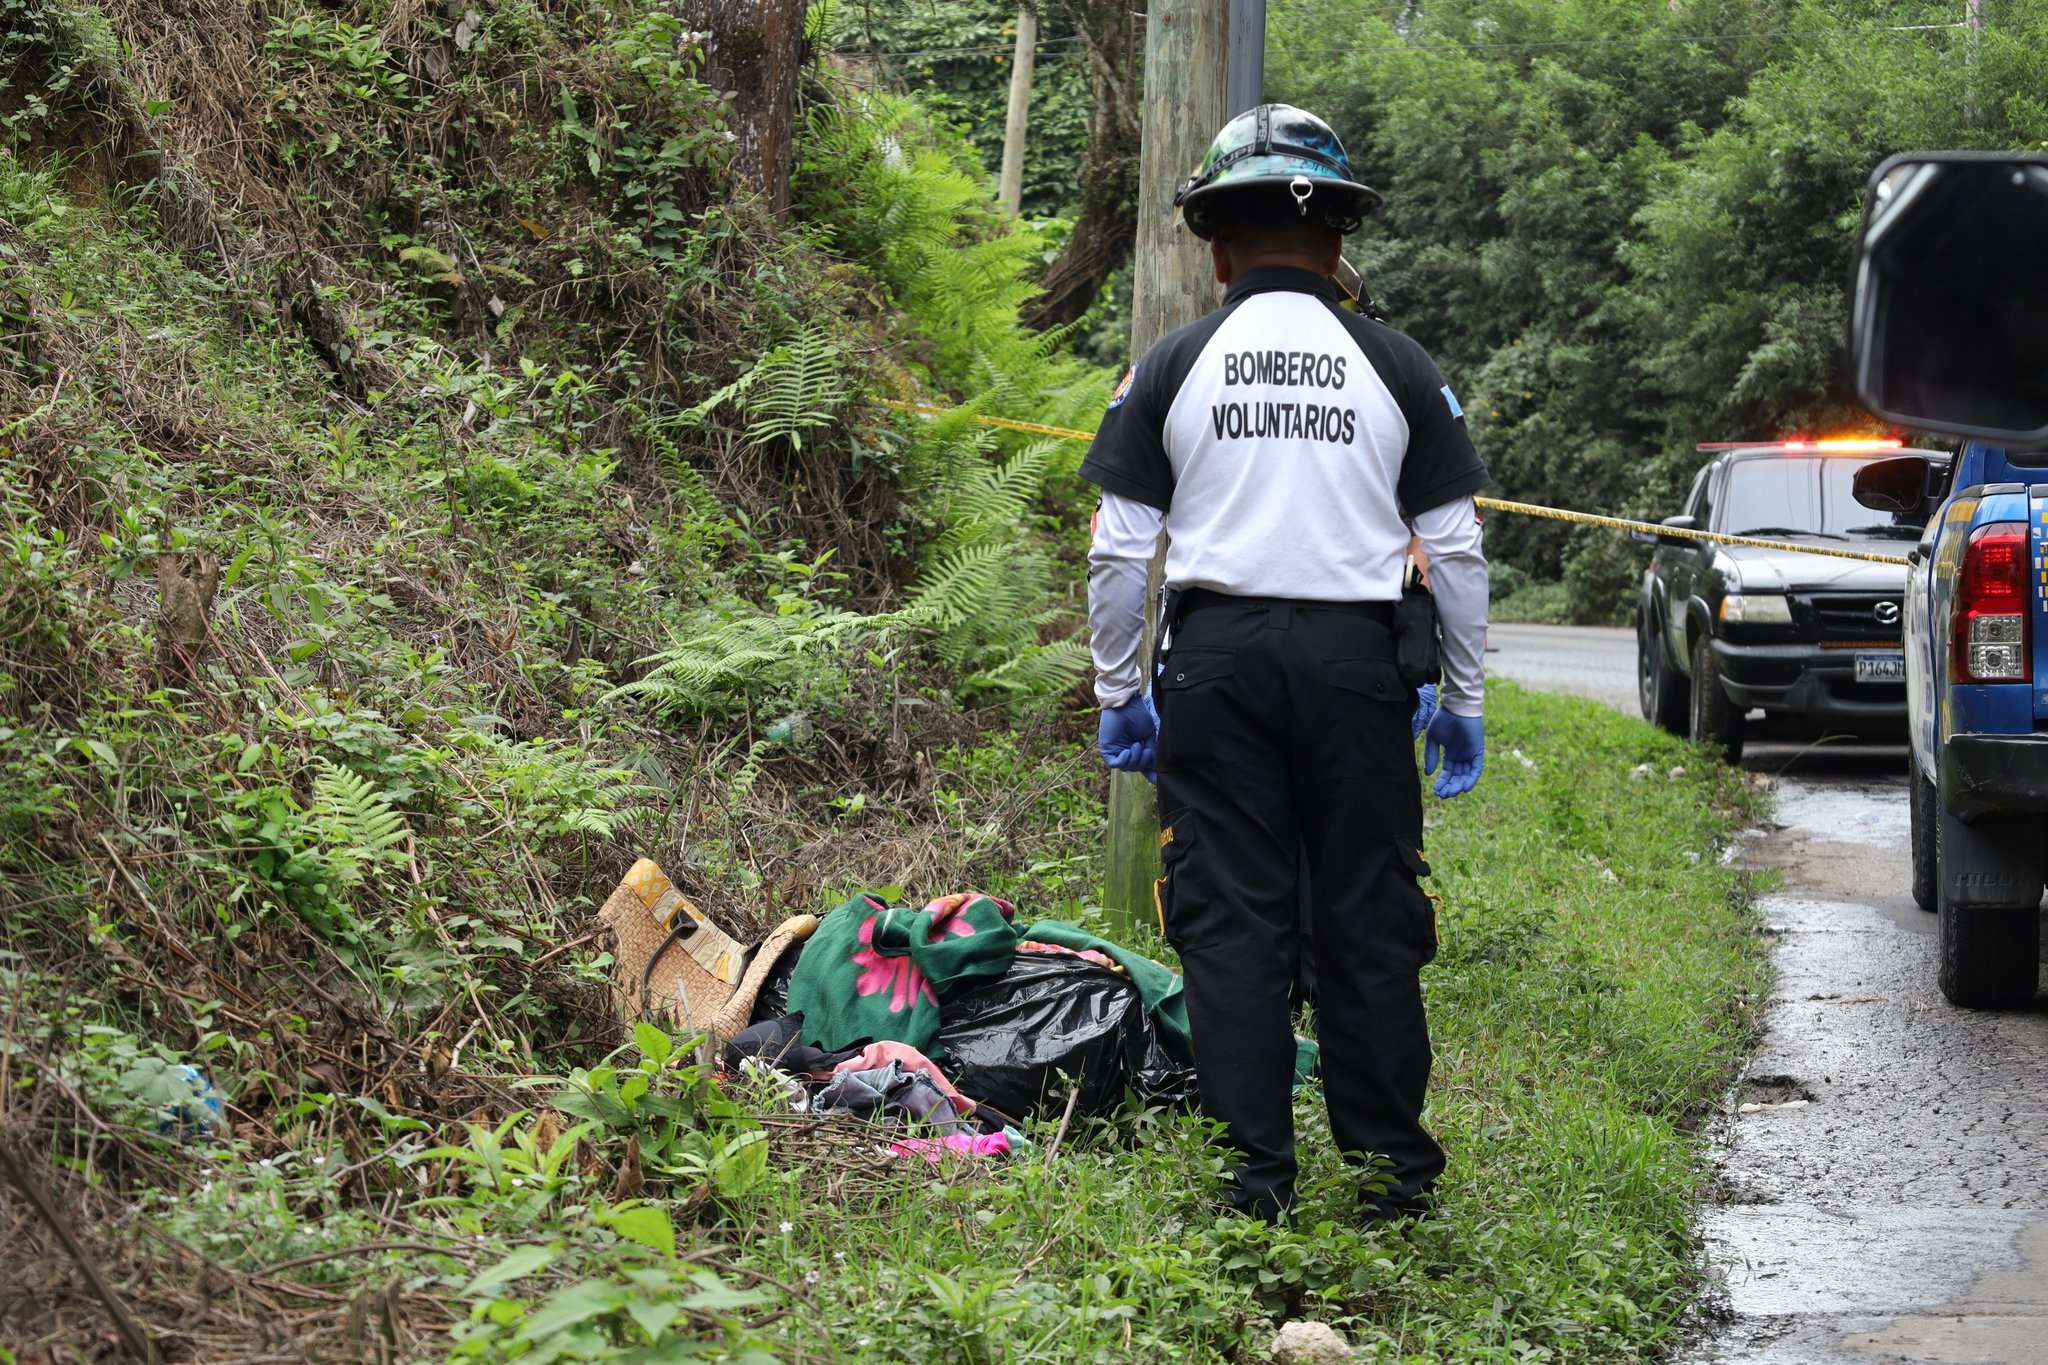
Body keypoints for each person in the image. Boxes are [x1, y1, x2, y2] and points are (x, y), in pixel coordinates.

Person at [1082, 104, 1488, 1224]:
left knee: (1227, 919)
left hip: (1213, 663)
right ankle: (1389, 1178)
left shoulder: (1170, 363)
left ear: (1214, 246)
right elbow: (1451, 546)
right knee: (1366, 913)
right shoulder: (1397, 364)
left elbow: (1120, 553)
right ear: (1336, 242)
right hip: (1358, 664)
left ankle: (1252, 1182)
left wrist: (1122, 693)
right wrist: (1461, 699)